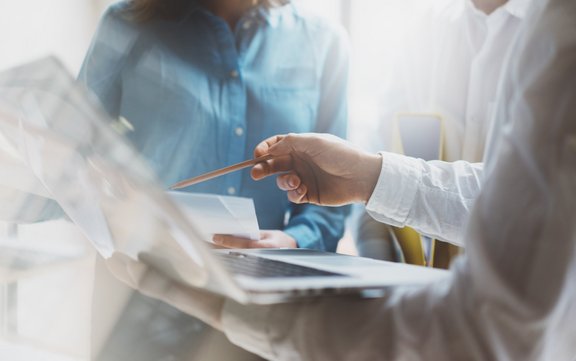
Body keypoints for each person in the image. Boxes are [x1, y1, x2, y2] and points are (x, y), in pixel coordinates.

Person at [107, 0, 576, 359]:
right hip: (149, 292)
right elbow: (505, 195)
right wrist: (372, 176)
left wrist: (236, 302)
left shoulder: (558, 32)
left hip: (271, 305)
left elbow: (484, 332)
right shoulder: (127, 23)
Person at [79, 0, 349, 251]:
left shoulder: (323, 42)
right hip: (140, 273)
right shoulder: (126, 22)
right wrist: (104, 201)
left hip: (264, 287)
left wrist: (295, 240)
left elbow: (331, 189)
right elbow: (70, 151)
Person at [356, 0, 531, 262]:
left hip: (526, 291)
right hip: (428, 288)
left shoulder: (558, 34)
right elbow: (382, 152)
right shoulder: (422, 31)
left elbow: (532, 196)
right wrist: (378, 268)